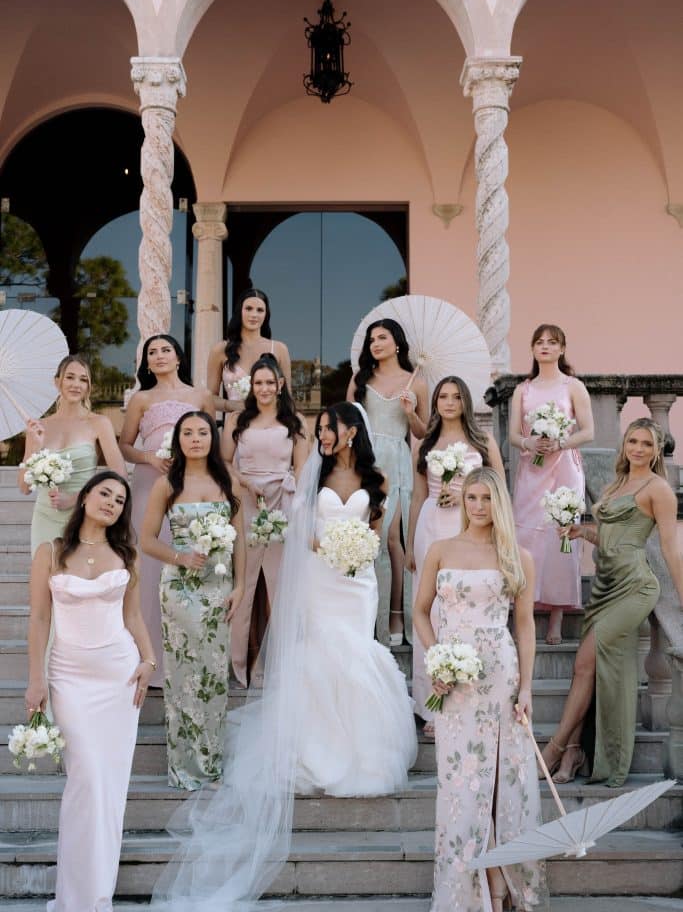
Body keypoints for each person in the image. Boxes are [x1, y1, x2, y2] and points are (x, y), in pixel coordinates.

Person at [151, 402, 416, 911]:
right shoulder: (310, 474)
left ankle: (362, 752)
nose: (324, 437)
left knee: (356, 654)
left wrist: (357, 549)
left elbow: (381, 529)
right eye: (319, 431)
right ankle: (318, 750)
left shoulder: (375, 477)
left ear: (351, 431)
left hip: (358, 581)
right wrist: (326, 546)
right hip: (321, 577)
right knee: (323, 654)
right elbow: (299, 527)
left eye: (330, 429)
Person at [414, 467, 547, 912]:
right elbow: (419, 613)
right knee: (463, 782)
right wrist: (435, 659)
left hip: (499, 677)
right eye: (472, 497)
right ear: (462, 500)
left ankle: (502, 883)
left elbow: (525, 627)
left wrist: (526, 687)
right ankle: (475, 889)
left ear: (498, 503)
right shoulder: (440, 550)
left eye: (487, 499)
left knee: (499, 782)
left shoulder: (517, 556)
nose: (478, 506)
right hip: (453, 681)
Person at [25, 471, 155, 912]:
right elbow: (39, 620)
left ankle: (97, 898)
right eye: (105, 493)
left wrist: (148, 661)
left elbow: (134, 617)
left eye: (120, 500)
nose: (112, 503)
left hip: (118, 678)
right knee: (86, 780)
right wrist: (36, 679)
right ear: (84, 497)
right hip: (69, 679)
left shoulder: (127, 554)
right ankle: (74, 900)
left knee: (110, 787)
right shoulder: (52, 552)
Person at [540, 418, 683, 787]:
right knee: (585, 669)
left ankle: (554, 749)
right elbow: (609, 537)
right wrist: (580, 531)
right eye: (633, 441)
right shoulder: (615, 484)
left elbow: (670, 549)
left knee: (586, 662)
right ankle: (574, 751)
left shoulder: (659, 489)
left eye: (647, 444)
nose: (638, 449)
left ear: (656, 452)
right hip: (605, 586)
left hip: (636, 587)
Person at [141, 411, 245, 790]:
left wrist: (240, 586)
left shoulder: (226, 480)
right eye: (188, 432)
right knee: (184, 673)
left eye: (203, 432)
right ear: (178, 440)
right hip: (180, 589)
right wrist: (180, 557)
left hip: (219, 586)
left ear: (212, 438)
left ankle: (212, 763)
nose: (196, 439)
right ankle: (184, 766)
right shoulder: (168, 483)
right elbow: (147, 540)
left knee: (214, 674)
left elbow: (240, 537)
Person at [406, 375, 505, 731]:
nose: (449, 403)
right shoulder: (424, 444)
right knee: (429, 610)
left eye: (455, 396)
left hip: (470, 524)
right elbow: (417, 496)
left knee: (462, 609)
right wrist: (409, 543)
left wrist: (465, 493)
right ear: (435, 403)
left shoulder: (482, 440)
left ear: (465, 401)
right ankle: (432, 704)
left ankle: (465, 693)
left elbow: (499, 488)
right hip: (431, 524)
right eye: (442, 397)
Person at [119, 334, 214, 686]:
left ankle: (185, 656)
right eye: (152, 352)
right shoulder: (140, 399)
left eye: (166, 350)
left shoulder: (200, 396)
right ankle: (146, 657)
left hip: (191, 485)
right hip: (149, 482)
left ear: (178, 357)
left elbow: (211, 441)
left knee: (187, 560)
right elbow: (124, 445)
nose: (159, 356)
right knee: (148, 569)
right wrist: (147, 457)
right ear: (146, 363)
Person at [221, 355, 308, 686]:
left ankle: (283, 665)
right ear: (251, 386)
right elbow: (225, 462)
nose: (264, 388)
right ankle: (239, 666)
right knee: (244, 581)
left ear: (281, 385)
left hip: (282, 503)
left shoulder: (295, 421)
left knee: (280, 585)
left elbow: (301, 468)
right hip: (247, 499)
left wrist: (294, 507)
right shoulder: (237, 420)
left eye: (270, 382)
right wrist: (244, 482)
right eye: (258, 383)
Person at [510, 324, 594, 644]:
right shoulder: (523, 390)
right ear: (532, 349)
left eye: (552, 342)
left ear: (562, 349)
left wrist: (561, 442)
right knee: (527, 534)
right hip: (531, 470)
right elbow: (513, 435)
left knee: (561, 535)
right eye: (539, 342)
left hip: (564, 470)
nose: (545, 347)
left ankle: (557, 616)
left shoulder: (573, 386)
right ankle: (525, 609)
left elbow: (588, 431)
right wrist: (531, 443)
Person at [347, 318, 428, 645]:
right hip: (364, 461)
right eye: (371, 339)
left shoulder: (416, 383)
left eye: (382, 337)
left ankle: (395, 615)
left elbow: (424, 431)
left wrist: (410, 413)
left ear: (397, 343)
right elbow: (346, 423)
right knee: (366, 541)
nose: (375, 344)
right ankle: (365, 614)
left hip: (397, 460)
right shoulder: (359, 379)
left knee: (393, 540)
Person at [19, 354, 125, 555]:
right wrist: (34, 445)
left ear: (89, 386)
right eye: (70, 377)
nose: (76, 384)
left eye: (83, 379)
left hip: (84, 515)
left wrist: (77, 499)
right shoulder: (39, 427)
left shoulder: (99, 423)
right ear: (57, 381)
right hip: (45, 515)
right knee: (44, 579)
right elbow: (24, 487)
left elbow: (119, 476)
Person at [207, 288, 292, 414]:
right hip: (235, 426)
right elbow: (209, 398)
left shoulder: (279, 349)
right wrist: (231, 405)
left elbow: (287, 398)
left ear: (266, 315)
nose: (254, 315)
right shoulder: (220, 350)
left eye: (260, 310)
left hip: (270, 425)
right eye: (248, 308)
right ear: (239, 311)